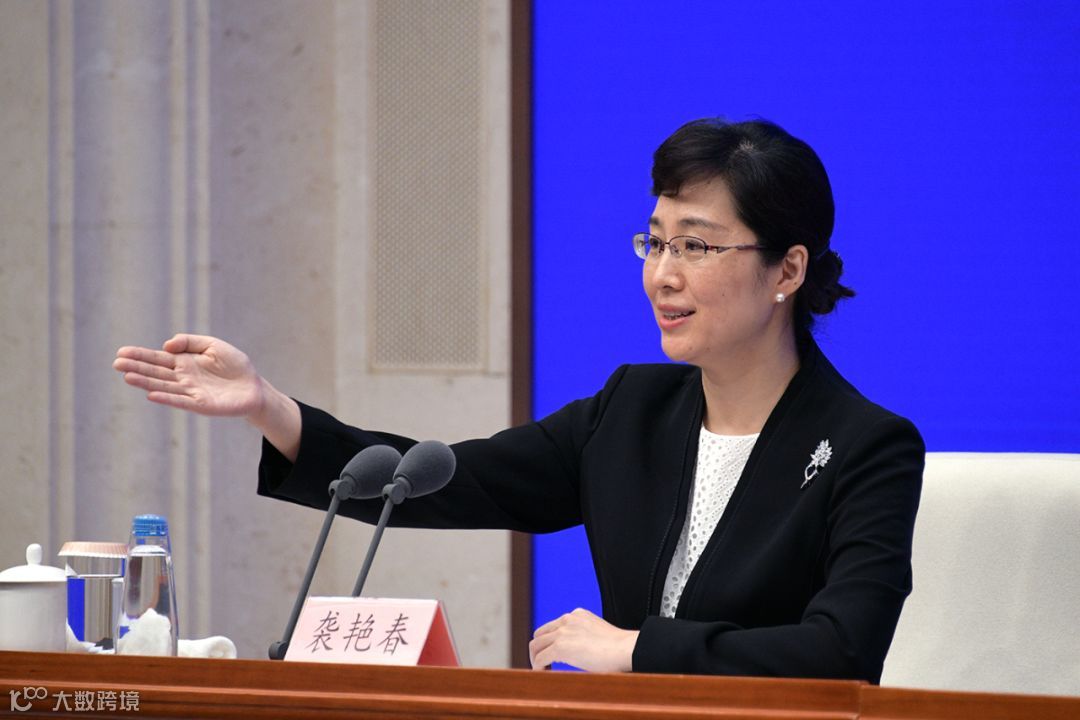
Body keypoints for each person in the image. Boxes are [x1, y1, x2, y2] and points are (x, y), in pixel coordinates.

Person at [113, 118, 923, 682]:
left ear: (787, 270)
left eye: (696, 245)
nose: (662, 274)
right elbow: (442, 480)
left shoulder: (865, 446)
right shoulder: (632, 411)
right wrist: (268, 407)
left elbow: (841, 652)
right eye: (655, 241)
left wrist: (635, 650)